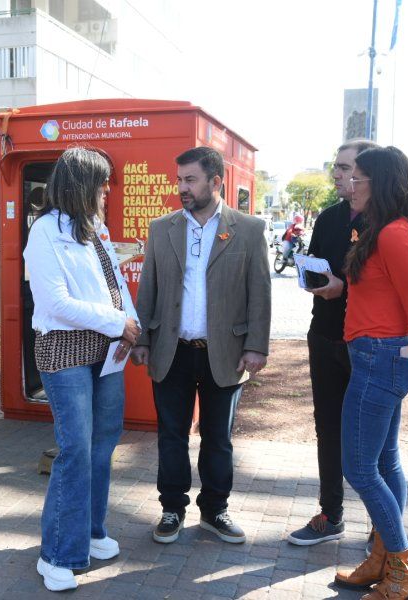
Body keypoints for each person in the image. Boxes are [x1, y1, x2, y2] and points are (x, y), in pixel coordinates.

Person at [132, 146, 271, 546]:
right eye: (179, 180)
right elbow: (149, 287)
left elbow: (260, 292)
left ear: (216, 182)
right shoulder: (162, 228)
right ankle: (172, 508)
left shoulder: (249, 229)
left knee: (218, 438)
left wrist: (256, 346)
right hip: (171, 350)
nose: (182, 188)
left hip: (224, 353)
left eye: (190, 180)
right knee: (171, 435)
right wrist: (142, 338)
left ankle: (214, 509)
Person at [333, 147, 408, 600]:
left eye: (357, 178)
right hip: (378, 356)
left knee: (359, 468)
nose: (349, 185)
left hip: (379, 359)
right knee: (384, 461)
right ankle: (384, 559)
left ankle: (403, 569)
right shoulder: (385, 230)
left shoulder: (394, 234)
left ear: (378, 183)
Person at [23, 147, 140, 592]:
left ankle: (90, 532)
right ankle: (57, 554)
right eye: (102, 183)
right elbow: (55, 303)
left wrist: (132, 326)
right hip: (65, 351)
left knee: (102, 445)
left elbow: (115, 285)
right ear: (80, 185)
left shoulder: (95, 228)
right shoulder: (44, 231)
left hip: (107, 351)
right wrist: (118, 323)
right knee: (75, 449)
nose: (108, 190)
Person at [287, 139, 379, 546]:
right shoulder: (328, 217)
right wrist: (313, 278)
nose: (337, 174)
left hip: (370, 346)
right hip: (324, 336)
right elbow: (315, 267)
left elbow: (400, 292)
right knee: (327, 428)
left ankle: (383, 525)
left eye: (345, 167)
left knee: (376, 439)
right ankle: (330, 515)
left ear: (368, 172)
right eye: (336, 167)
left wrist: (345, 288)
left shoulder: (389, 222)